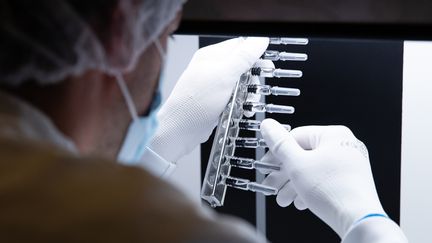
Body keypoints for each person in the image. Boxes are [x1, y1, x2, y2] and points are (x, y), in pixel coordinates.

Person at [0, 0, 407, 242]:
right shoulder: (173, 234)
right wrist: (366, 221)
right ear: (121, 27)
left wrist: (156, 147)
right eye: (167, 33)